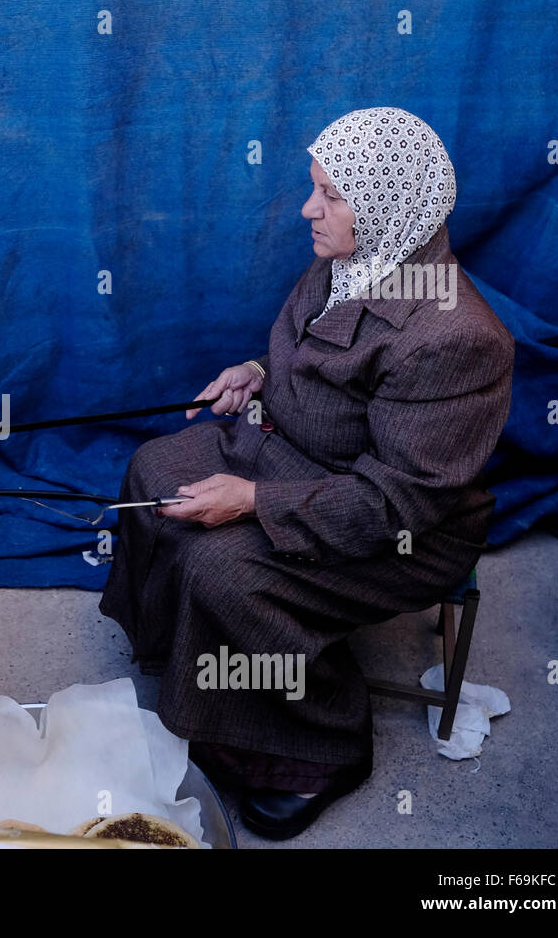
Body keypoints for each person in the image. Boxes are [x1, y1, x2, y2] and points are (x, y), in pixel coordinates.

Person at [99, 107, 515, 840]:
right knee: (155, 466)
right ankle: (190, 667)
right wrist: (255, 374)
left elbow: (397, 503)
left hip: (401, 525)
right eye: (312, 188)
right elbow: (318, 369)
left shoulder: (458, 338)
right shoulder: (352, 257)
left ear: (384, 206)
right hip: (299, 452)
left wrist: (253, 501)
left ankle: (323, 747)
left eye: (329, 195)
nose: (307, 210)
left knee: (223, 569)